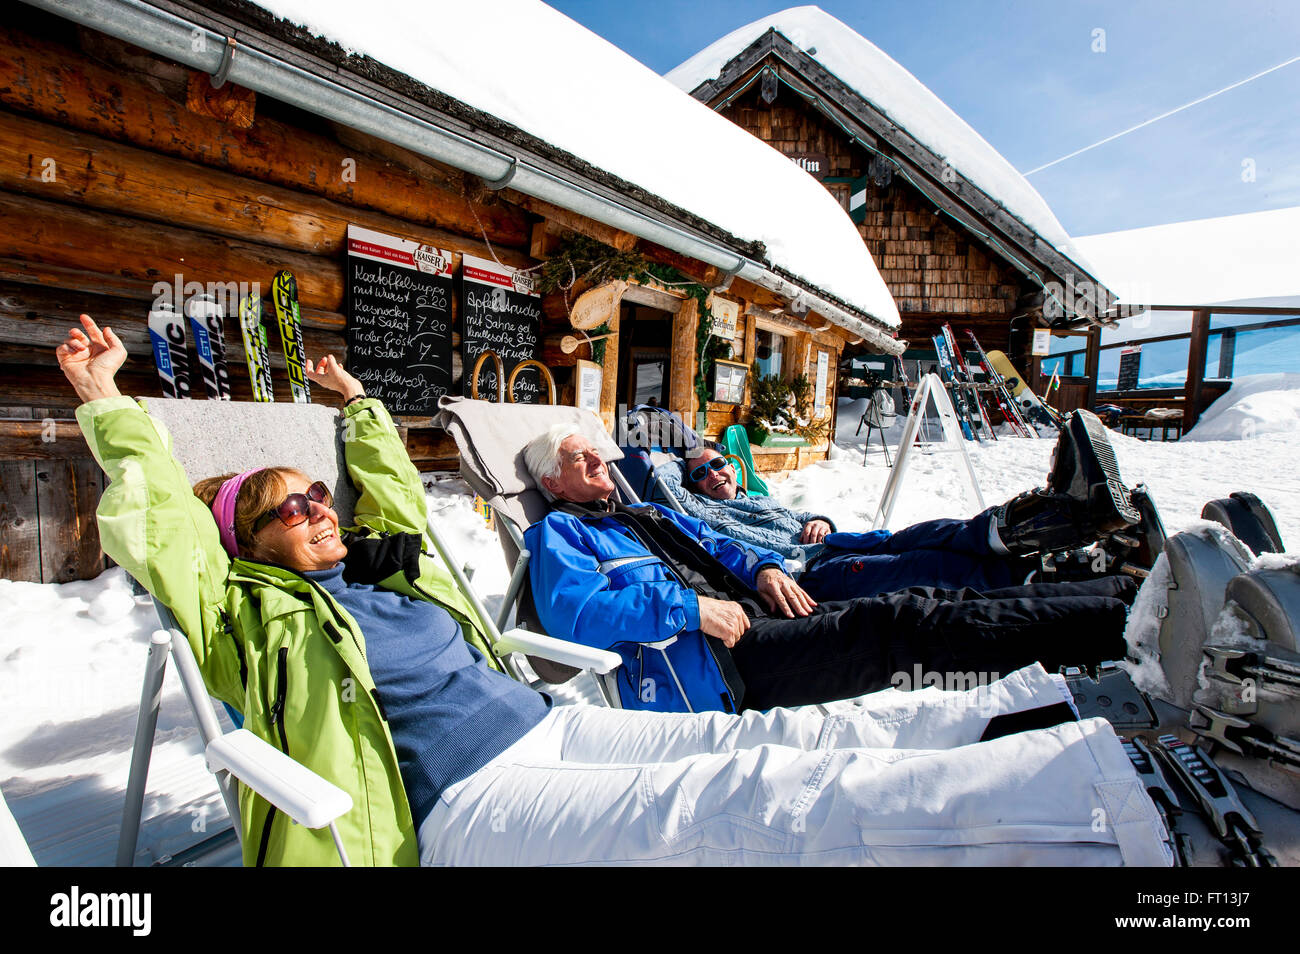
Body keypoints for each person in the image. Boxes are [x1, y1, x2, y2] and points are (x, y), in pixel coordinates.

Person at [58, 315, 1169, 867]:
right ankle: (1121, 830)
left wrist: (351, 409)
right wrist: (112, 404)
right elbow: (164, 533)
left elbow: (387, 488)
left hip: (547, 725)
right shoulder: (253, 609)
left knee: (774, 756)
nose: (318, 511)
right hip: (462, 805)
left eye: (318, 498)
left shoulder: (383, 570)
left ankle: (1089, 730)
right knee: (742, 815)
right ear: (242, 547)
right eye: (286, 508)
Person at [523, 424, 1135, 715]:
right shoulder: (559, 532)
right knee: (900, 625)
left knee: (921, 593)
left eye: (597, 450)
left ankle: (1116, 590)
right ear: (553, 480)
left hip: (760, 609)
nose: (600, 458)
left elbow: (717, 543)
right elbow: (574, 617)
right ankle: (1119, 619)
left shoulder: (646, 513)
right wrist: (690, 609)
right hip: (714, 662)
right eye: (582, 456)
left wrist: (762, 567)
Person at [675, 421, 1137, 599]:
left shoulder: (758, 496)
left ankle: (1070, 519)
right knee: (923, 565)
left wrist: (819, 520)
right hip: (807, 574)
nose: (714, 474)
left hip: (836, 543)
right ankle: (1069, 569)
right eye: (701, 473)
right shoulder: (702, 513)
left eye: (718, 464)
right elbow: (662, 484)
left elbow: (801, 520)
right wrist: (673, 454)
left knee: (937, 530)